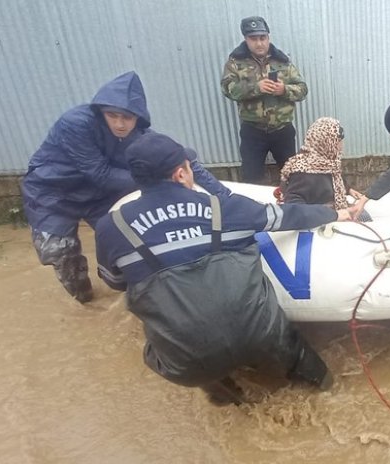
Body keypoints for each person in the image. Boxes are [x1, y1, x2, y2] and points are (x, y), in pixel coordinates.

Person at [95, 133, 351, 405]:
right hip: (260, 336)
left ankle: (230, 399)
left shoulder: (111, 228)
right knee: (290, 348)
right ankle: (327, 390)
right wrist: (335, 214)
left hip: (186, 363)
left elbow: (117, 283)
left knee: (158, 345)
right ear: (181, 174)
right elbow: (289, 216)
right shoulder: (226, 207)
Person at [21, 71, 228, 304]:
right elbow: (100, 174)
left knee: (128, 241)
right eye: (112, 115)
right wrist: (160, 177)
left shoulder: (142, 136)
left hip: (100, 196)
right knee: (60, 253)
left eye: (127, 118)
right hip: (53, 192)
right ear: (101, 111)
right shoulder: (75, 124)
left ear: (138, 118)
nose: (120, 124)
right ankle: (84, 299)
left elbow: (186, 162)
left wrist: (225, 197)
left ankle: (135, 296)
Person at [221, 16, 308, 184]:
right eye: (253, 39)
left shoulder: (282, 61)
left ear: (268, 37)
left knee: (292, 177)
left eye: (263, 38)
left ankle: (292, 208)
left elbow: (303, 90)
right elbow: (227, 89)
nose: (259, 43)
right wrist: (256, 87)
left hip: (283, 130)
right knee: (252, 179)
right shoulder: (235, 62)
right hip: (253, 131)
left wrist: (284, 89)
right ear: (245, 39)